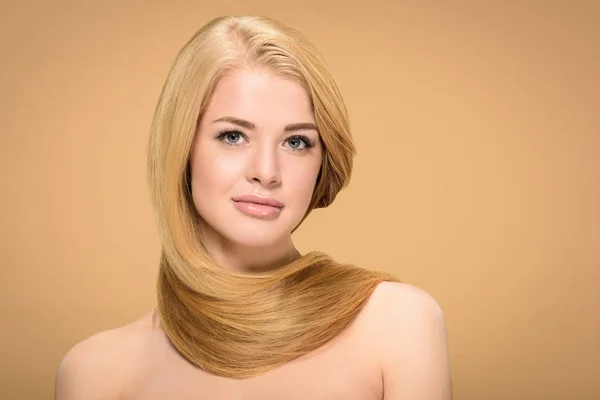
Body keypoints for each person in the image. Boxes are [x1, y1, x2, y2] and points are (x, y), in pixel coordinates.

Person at [55, 15, 452, 399]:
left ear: (321, 162)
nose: (266, 172)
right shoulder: (96, 373)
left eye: (296, 142)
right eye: (233, 136)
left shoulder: (398, 324)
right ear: (182, 147)